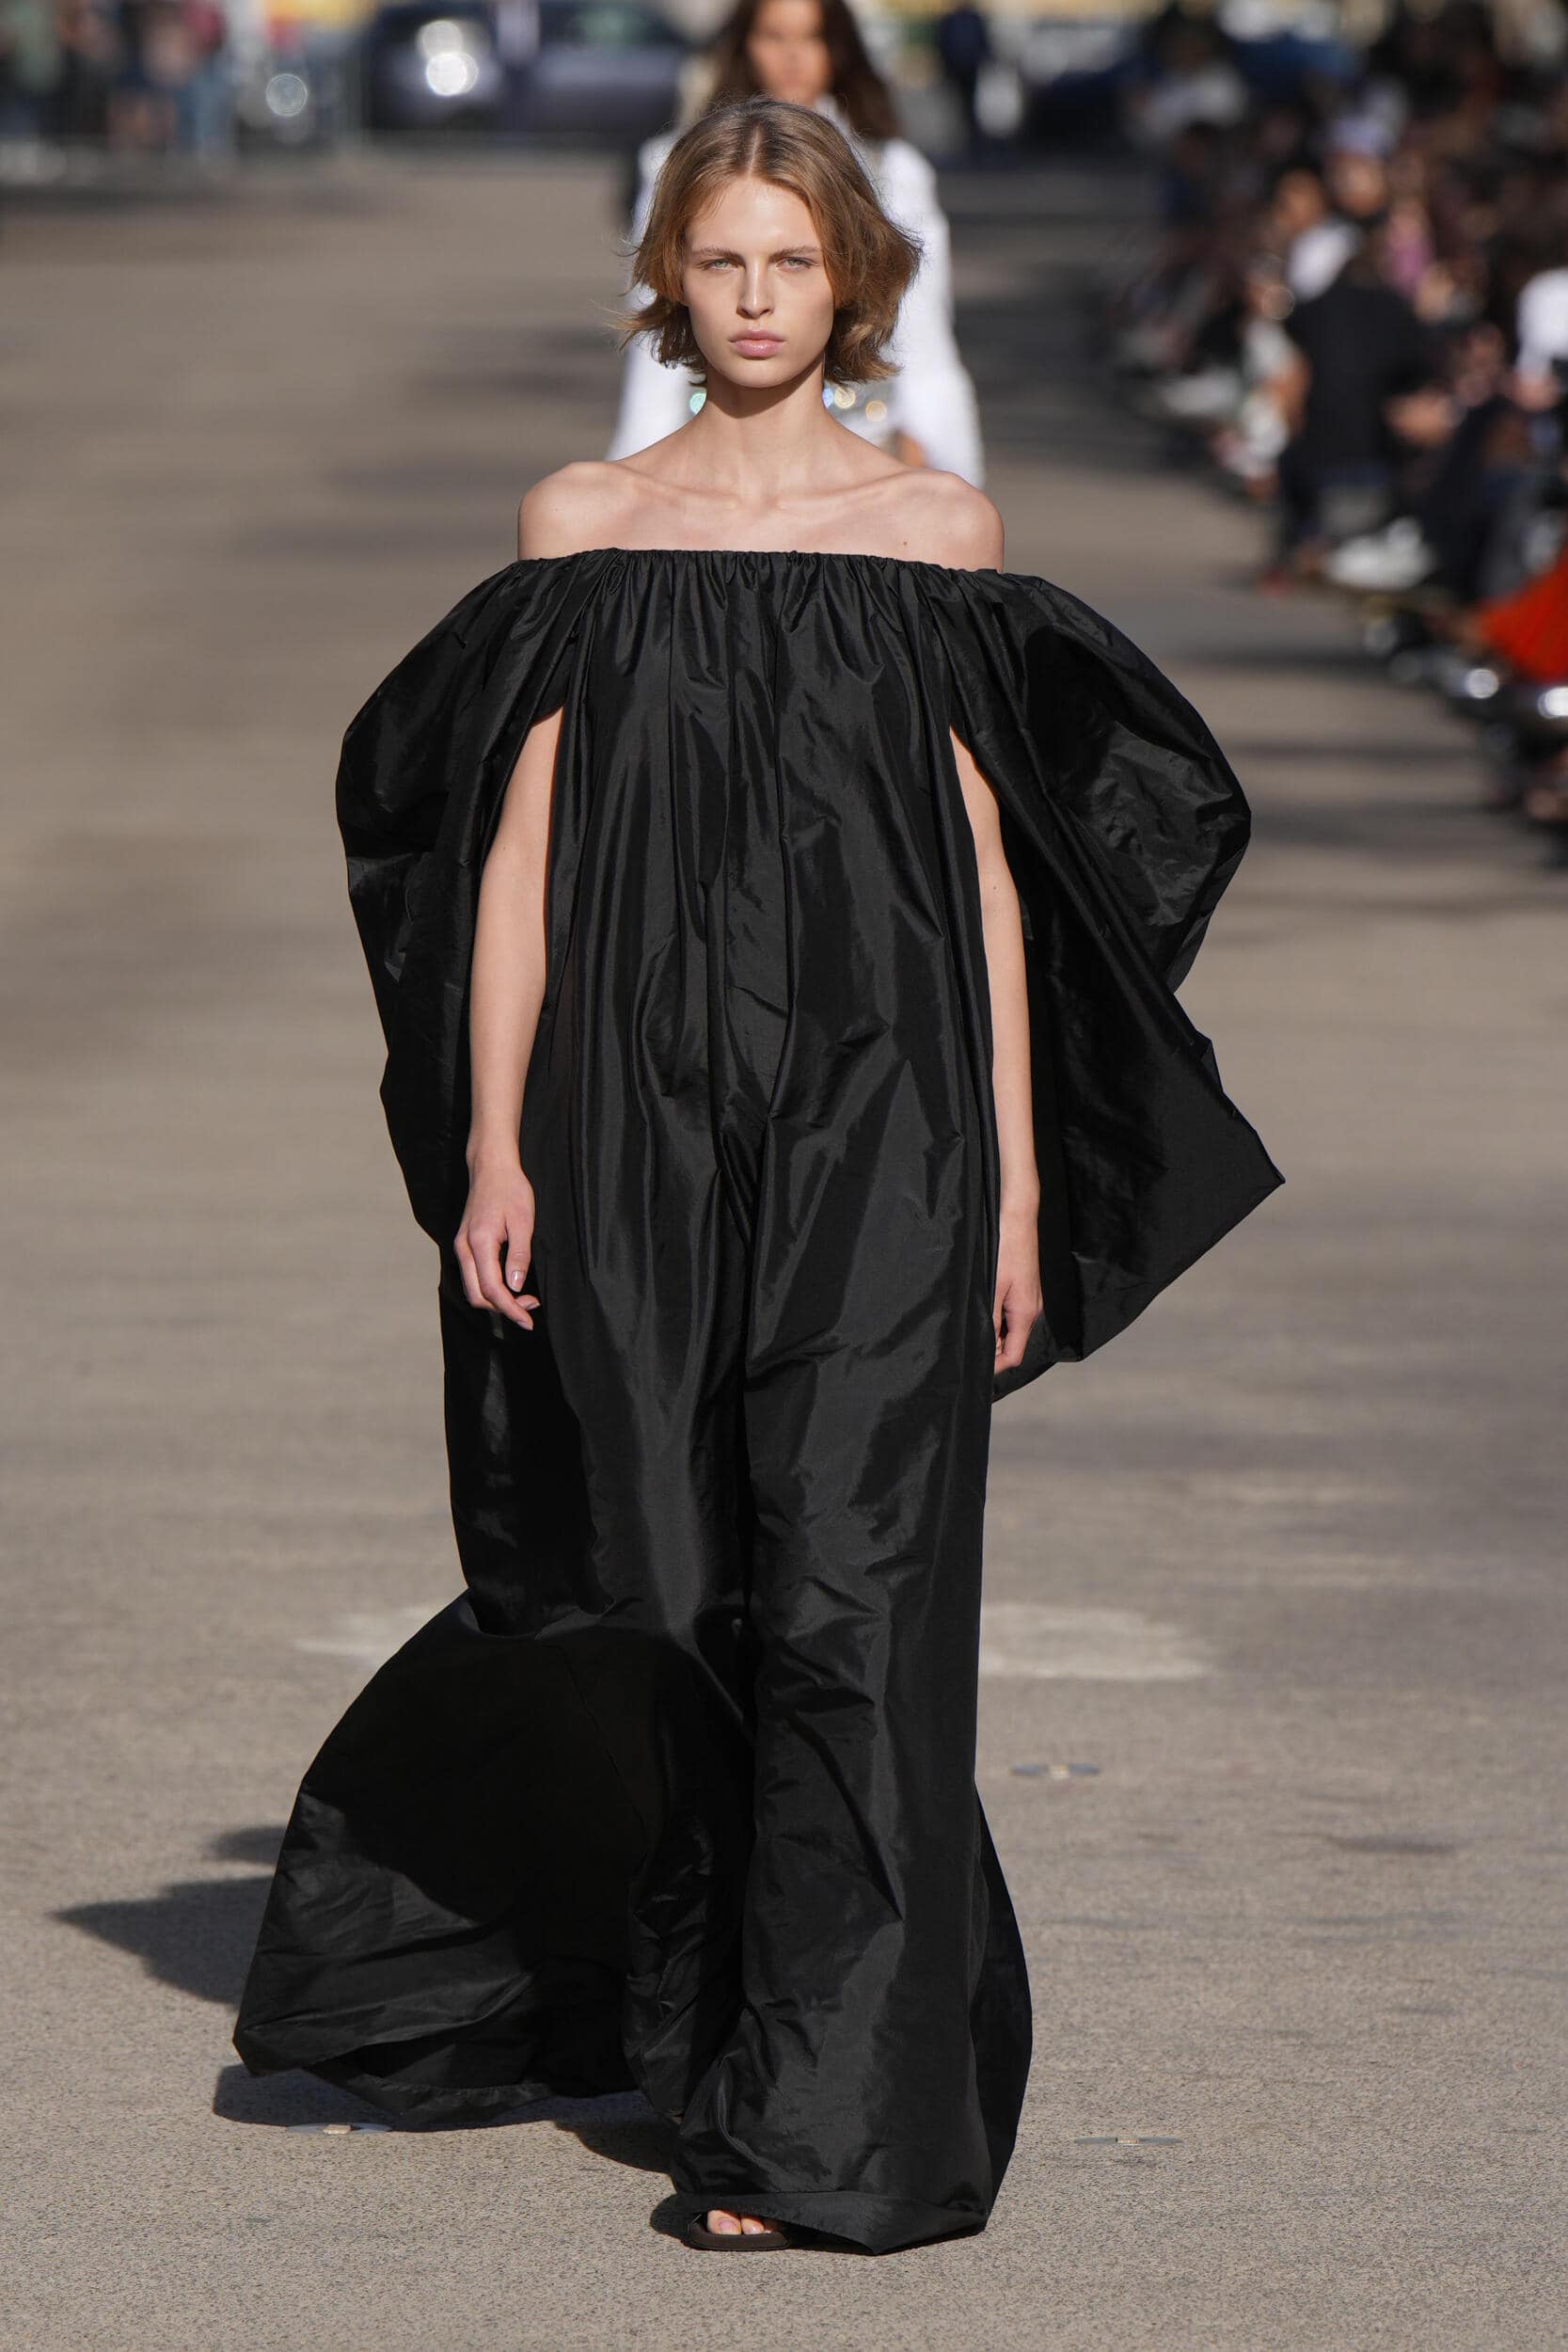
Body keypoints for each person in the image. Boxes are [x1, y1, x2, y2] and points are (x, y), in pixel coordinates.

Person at [232, 97, 1281, 2256]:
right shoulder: (582, 523)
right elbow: (511, 864)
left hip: (891, 1126)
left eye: (789, 262)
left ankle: (828, 2129)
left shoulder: (939, 536)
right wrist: (495, 1140)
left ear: (851, 283)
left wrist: (1011, 1187)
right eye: (716, 260)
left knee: (856, 1599)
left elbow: (992, 883)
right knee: (652, 1571)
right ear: (664, 280)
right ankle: (657, 1985)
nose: (751, 298)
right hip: (622, 1118)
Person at [608, 0, 984, 485]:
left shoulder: (892, 172)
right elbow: (656, 338)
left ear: (840, 49)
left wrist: (947, 464)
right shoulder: (675, 165)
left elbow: (924, 337)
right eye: (774, 36)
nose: (793, 56)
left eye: (813, 37)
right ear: (744, 45)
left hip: (868, 449)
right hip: (715, 463)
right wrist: (635, 477)